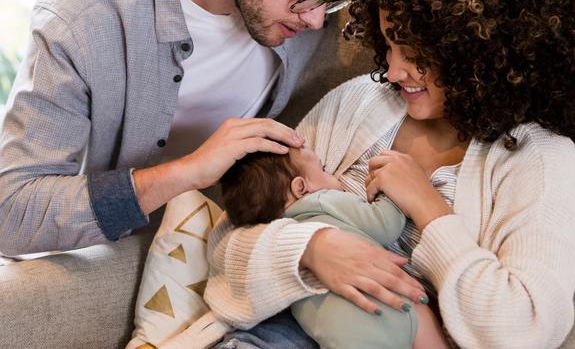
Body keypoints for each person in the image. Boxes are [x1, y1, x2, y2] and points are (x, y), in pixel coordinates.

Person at [204, 0, 575, 348]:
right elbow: (227, 243)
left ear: (479, 52)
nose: (391, 70)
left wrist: (428, 211)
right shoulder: (359, 104)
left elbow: (526, 329)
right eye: (388, 44)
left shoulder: (538, 159)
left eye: (414, 54)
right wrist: (312, 249)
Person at [0, 0, 389, 257]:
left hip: (244, 248)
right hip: (119, 257)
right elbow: (12, 213)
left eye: (331, 2)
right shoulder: (88, 14)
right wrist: (189, 171)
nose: (315, 21)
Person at [162, 147, 445, 348]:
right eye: (323, 169)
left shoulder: (276, 240)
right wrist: (391, 190)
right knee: (421, 312)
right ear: (301, 188)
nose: (332, 175)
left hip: (338, 337)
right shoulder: (323, 201)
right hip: (391, 308)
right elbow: (386, 225)